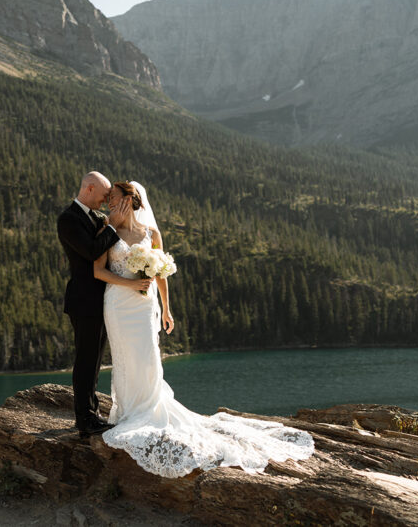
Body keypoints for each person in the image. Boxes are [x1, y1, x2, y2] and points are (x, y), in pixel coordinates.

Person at [92, 181, 314, 478]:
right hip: (118, 303)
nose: (109, 203)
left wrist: (167, 309)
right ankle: (127, 412)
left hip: (145, 306)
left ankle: (147, 408)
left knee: (147, 357)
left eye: (114, 198)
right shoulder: (107, 231)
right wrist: (130, 281)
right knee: (125, 358)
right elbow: (98, 271)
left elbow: (159, 274)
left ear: (130, 200)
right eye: (108, 199)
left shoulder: (151, 233)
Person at [57, 171, 129, 437]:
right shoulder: (68, 219)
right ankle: (84, 420)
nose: (104, 201)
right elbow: (90, 251)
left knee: (96, 360)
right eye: (102, 196)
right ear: (88, 189)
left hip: (103, 301)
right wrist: (112, 226)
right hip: (84, 301)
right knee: (85, 360)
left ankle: (93, 413)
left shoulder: (97, 217)